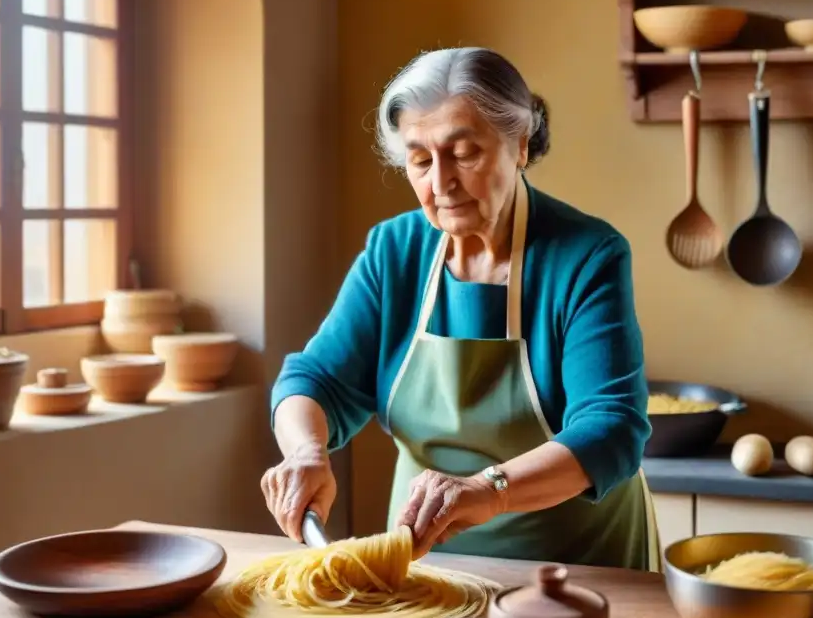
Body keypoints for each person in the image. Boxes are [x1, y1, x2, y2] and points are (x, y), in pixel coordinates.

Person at [261, 46, 659, 571]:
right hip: (426, 566)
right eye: (420, 160)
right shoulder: (393, 252)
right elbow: (314, 380)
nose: (441, 184)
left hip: (574, 572)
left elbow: (612, 427)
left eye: (464, 153)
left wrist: (487, 490)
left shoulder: (586, 255)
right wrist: (307, 452)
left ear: (519, 144)